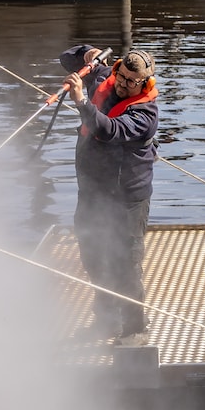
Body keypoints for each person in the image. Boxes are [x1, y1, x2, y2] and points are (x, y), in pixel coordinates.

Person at [60, 46, 159, 346]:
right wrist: (88, 54)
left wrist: (81, 101)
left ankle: (134, 329)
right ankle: (106, 321)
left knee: (125, 264)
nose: (123, 84)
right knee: (93, 257)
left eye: (132, 82)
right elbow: (66, 58)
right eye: (122, 76)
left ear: (144, 84)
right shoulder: (106, 77)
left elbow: (110, 130)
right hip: (93, 193)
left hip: (127, 200)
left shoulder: (144, 114)